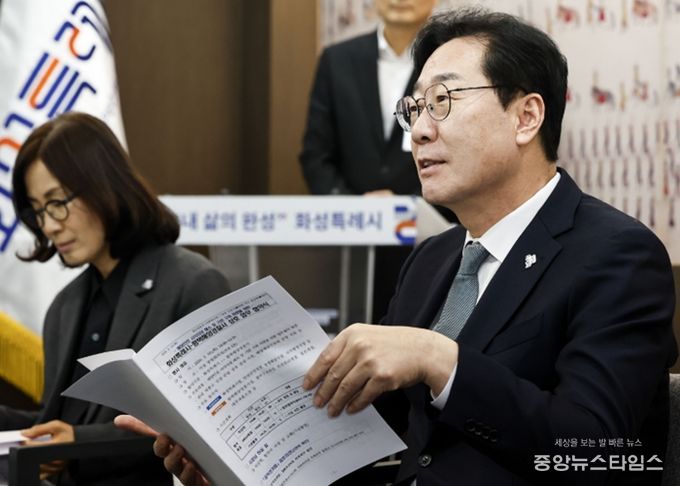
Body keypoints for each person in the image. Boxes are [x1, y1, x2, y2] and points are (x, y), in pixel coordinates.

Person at [121, 7, 677, 486]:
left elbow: (600, 452)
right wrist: (231, 456)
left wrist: (439, 360)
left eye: (442, 101)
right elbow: (370, 438)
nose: (418, 133)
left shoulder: (617, 256)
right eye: (414, 109)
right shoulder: (432, 260)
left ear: (526, 116)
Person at [1, 112, 230, 486]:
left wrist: (76, 442)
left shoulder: (192, 283)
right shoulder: (64, 306)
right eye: (39, 210)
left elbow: (207, 427)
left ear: (103, 185)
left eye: (57, 202)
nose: (49, 225)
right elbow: (57, 424)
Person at [300, 0, 441, 323]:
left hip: (430, 238)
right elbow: (316, 155)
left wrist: (410, 206)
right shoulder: (338, 59)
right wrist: (355, 209)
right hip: (349, 246)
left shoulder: (448, 59)